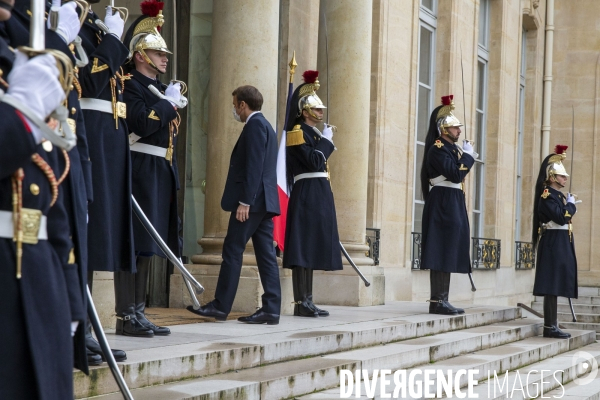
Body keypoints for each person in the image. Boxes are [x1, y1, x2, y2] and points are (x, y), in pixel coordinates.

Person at [2, 0, 94, 370]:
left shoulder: (19, 45)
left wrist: (71, 300)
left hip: (41, 283)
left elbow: (48, 184)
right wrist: (21, 111)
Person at [187, 85, 281, 325]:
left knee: (232, 250)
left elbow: (254, 167)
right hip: (264, 203)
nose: (234, 110)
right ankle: (271, 308)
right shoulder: (266, 125)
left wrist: (245, 202)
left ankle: (220, 306)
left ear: (242, 105)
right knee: (266, 255)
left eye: (235, 104)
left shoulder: (255, 126)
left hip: (252, 203)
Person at [119, 0, 181, 336]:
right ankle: (127, 315)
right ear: (141, 54)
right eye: (158, 53)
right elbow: (142, 123)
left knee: (148, 246)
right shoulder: (129, 84)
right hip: (139, 167)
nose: (165, 58)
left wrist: (164, 100)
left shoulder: (152, 88)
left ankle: (138, 311)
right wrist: (167, 104)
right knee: (136, 244)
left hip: (156, 171)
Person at [78, 0, 130, 358]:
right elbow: (89, 82)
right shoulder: (73, 24)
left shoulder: (91, 25)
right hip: (86, 140)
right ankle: (77, 329)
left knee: (95, 241)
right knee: (83, 239)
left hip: (103, 147)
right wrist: (112, 39)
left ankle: (84, 328)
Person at [282, 70, 342, 318]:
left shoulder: (313, 134)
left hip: (318, 193)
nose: (321, 113)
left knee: (311, 246)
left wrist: (323, 139)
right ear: (304, 111)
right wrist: (327, 142)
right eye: (316, 110)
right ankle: (300, 303)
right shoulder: (298, 132)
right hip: (306, 191)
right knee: (302, 248)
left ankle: (308, 299)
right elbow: (315, 161)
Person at [419, 95, 477, 315]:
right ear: (444, 128)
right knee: (441, 248)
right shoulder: (438, 148)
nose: (459, 131)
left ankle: (443, 299)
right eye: (455, 128)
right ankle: (437, 301)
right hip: (443, 200)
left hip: (452, 200)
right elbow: (454, 174)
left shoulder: (451, 149)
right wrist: (469, 158)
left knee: (449, 246)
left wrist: (465, 156)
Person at [532, 144, 577, 339]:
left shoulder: (557, 195)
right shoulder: (547, 195)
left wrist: (568, 205)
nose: (565, 178)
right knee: (552, 283)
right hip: (553, 241)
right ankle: (549, 326)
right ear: (552, 177)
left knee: (558, 281)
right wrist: (571, 207)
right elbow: (561, 217)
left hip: (561, 240)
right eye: (561, 176)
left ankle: (553, 324)